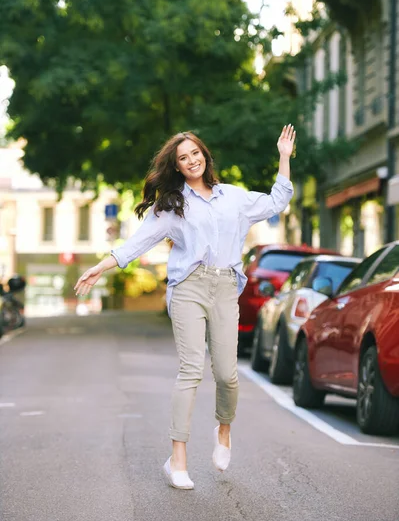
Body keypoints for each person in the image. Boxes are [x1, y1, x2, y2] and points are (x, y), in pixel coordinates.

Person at [74, 124, 295, 490]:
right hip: (188, 286)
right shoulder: (171, 206)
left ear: (205, 157)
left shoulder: (234, 197)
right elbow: (134, 245)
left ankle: (223, 431)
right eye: (183, 158)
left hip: (225, 286)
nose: (191, 160)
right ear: (176, 166)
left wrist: (284, 158)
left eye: (196, 154)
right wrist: (100, 266)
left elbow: (276, 201)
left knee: (227, 374)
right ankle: (177, 458)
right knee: (191, 370)